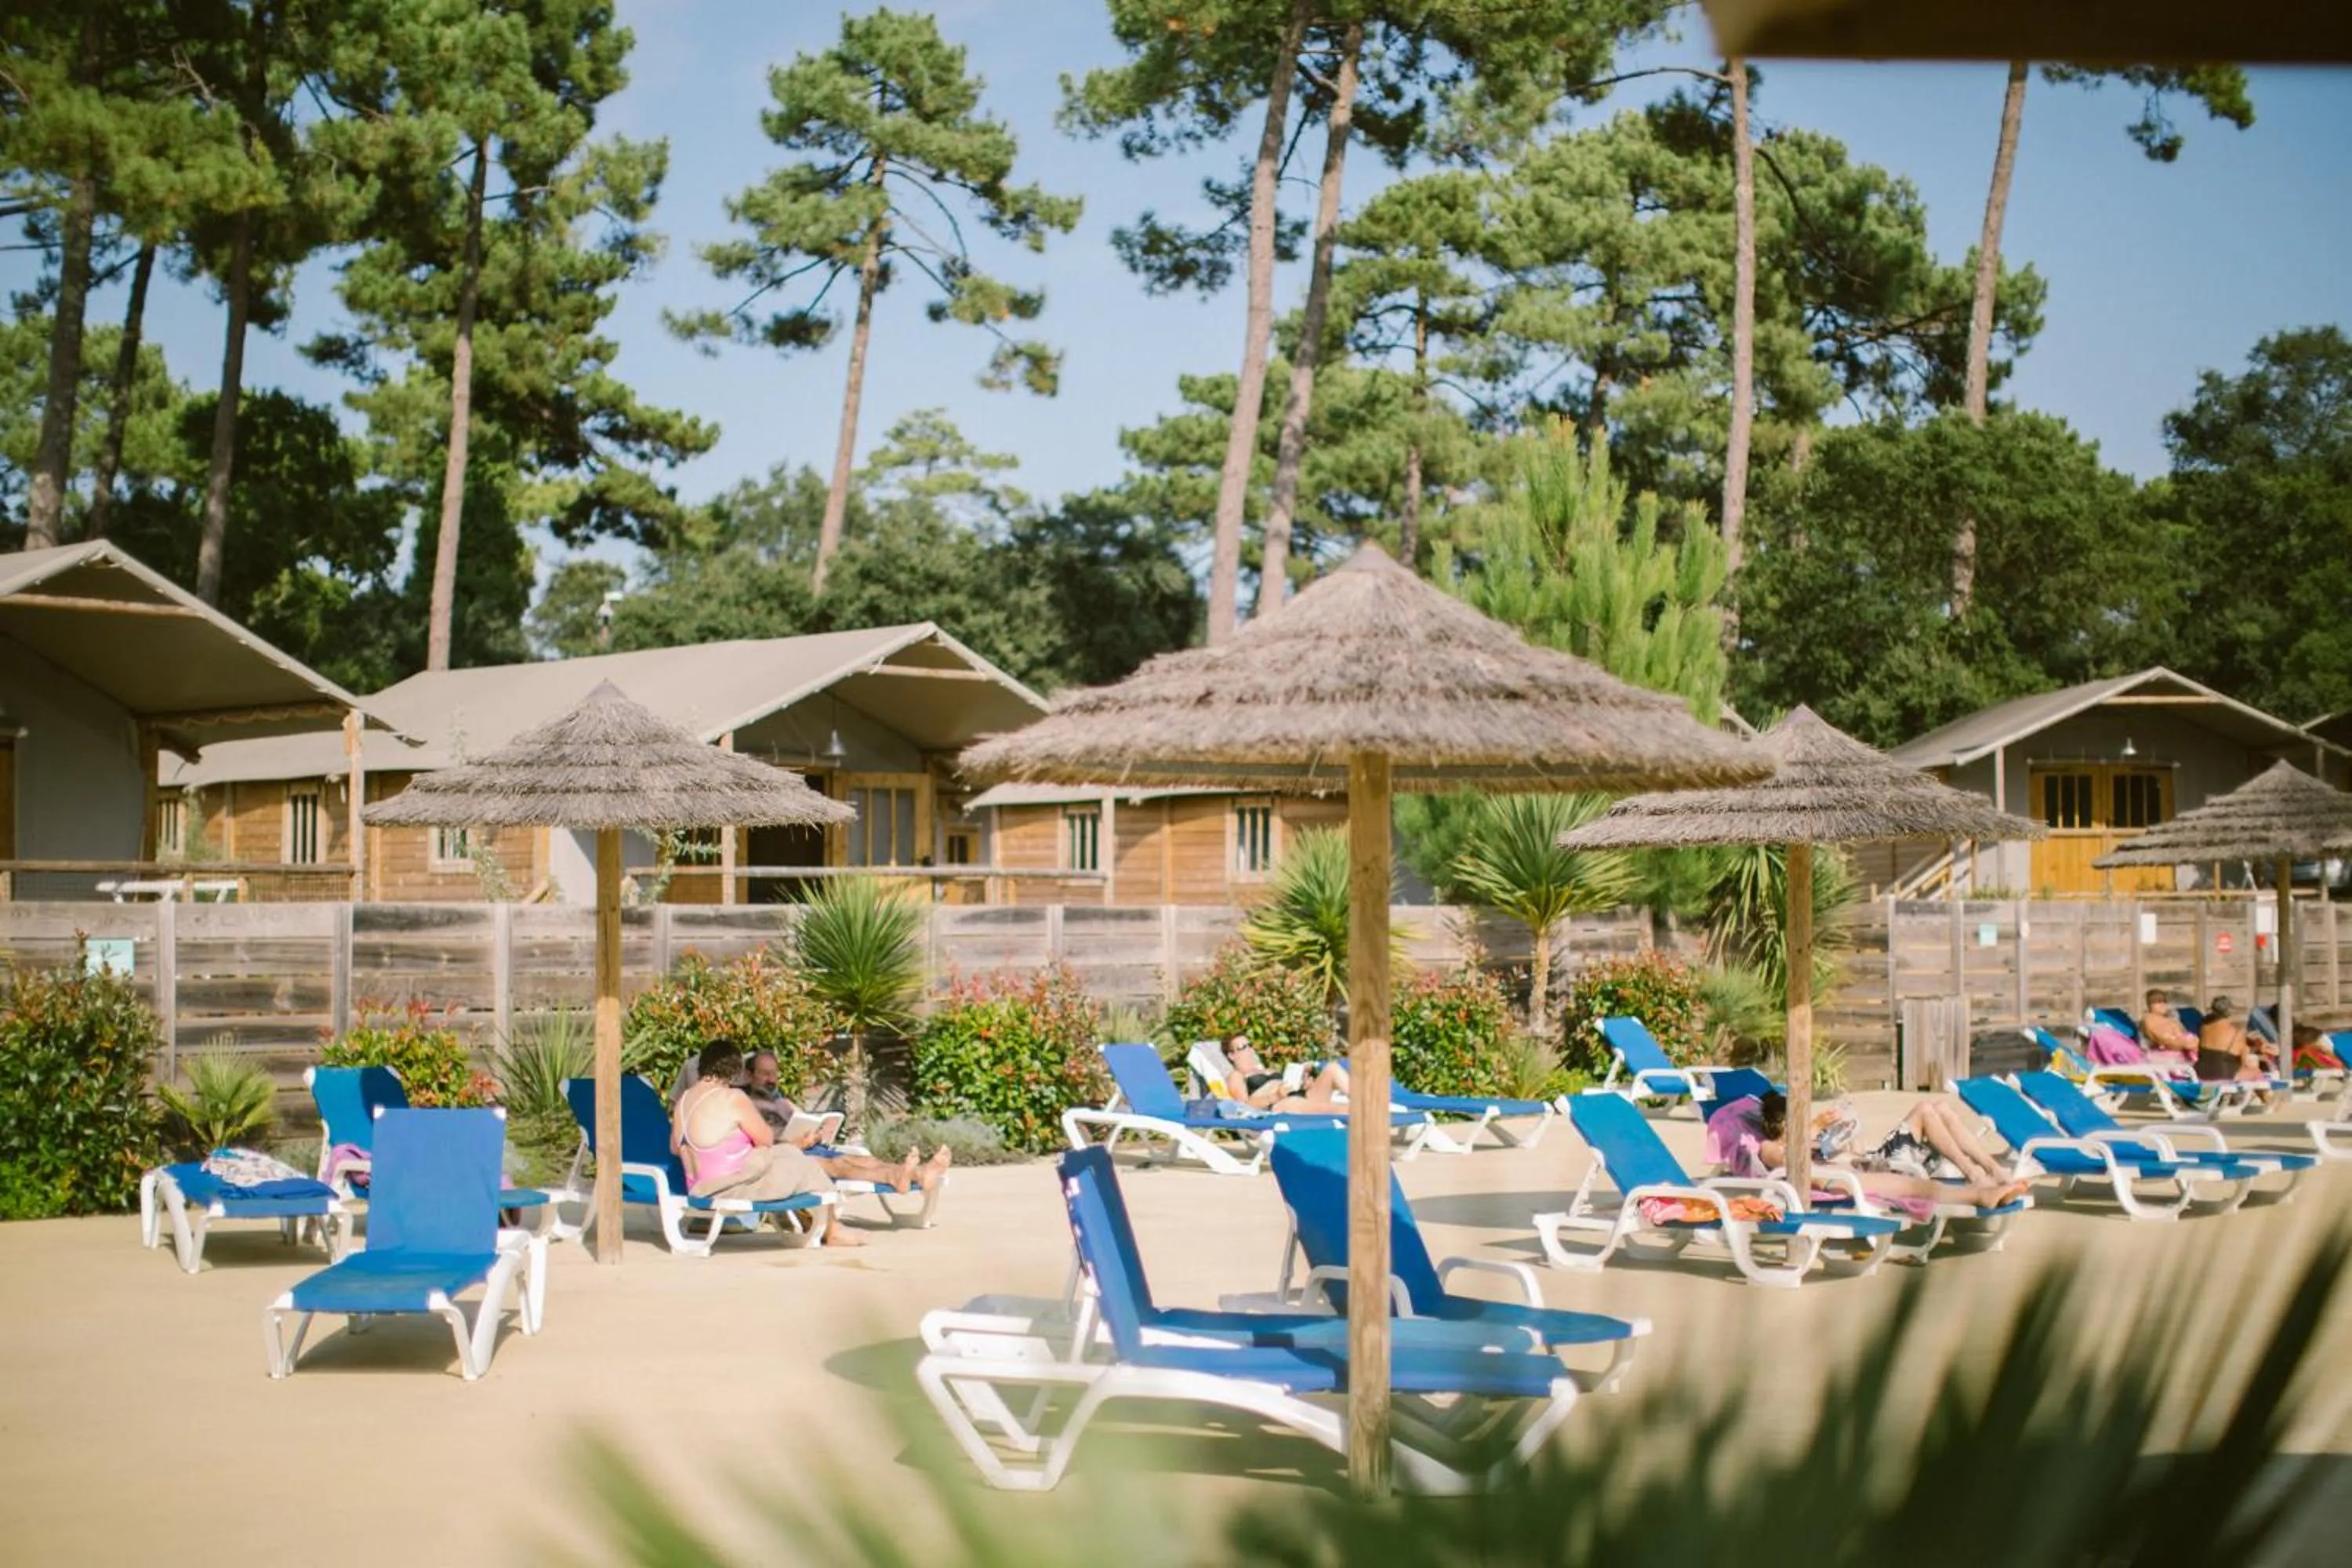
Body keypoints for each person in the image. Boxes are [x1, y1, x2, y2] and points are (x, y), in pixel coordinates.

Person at [671, 1042, 861, 1247]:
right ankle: (833, 1229)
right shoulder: (733, 1097)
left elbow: (675, 1147)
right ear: (736, 1071)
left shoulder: (684, 1100)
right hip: (733, 1186)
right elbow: (766, 1139)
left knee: (789, 1153)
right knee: (803, 1164)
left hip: (699, 1187)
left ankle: (824, 1225)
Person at [1749, 1091, 2028, 1211]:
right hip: (1877, 1168)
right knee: (1925, 1110)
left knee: (1940, 1108)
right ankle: (1977, 1180)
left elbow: (1850, 1152)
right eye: (1797, 1118)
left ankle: (1992, 1170)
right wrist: (1814, 1130)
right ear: (1784, 1125)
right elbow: (1790, 1161)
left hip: (1867, 1161)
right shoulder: (1770, 1148)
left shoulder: (1805, 1139)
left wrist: (1843, 1136)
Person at [742, 1048, 949, 1193]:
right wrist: (796, 1144)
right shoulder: (746, 1104)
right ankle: (896, 1177)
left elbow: (803, 1122)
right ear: (750, 1075)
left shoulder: (782, 1101)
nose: (771, 1079)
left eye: (774, 1073)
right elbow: (762, 1145)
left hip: (808, 1150)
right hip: (787, 1159)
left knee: (864, 1160)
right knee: (840, 1164)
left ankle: (919, 1174)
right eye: (764, 1074)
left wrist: (819, 1131)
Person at [1223, 1036, 1349, 1114]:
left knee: (1332, 1068)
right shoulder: (1236, 1075)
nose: (1250, 1049)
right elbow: (1243, 1106)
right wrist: (1275, 1096)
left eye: (1250, 1045)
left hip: (1301, 1097)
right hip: (1281, 1106)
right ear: (1231, 1055)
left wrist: (1305, 1085)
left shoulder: (1266, 1069)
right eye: (1243, 1047)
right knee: (1338, 1109)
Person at [2194, 996, 2274, 1085]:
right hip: (2222, 1074)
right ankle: (2270, 1098)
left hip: (2201, 1072)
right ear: (2231, 1012)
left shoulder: (2204, 1028)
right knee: (2256, 1072)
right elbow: (2244, 1059)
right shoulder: (2237, 1033)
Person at [2137, 989, 2200, 1057]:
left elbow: (2182, 1034)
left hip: (2181, 1051)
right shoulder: (2149, 1019)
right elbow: (2163, 1039)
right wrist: (2185, 1044)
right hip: (2164, 1055)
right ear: (2149, 1005)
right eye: (2157, 1002)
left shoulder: (2171, 1018)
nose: (2162, 1005)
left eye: (2164, 1002)